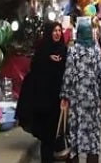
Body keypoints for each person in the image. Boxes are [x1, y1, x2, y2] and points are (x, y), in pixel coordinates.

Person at [60, 17, 101, 163]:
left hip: (77, 98)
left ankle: (74, 156)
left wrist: (65, 96)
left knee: (75, 128)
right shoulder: (96, 51)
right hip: (92, 99)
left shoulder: (73, 51)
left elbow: (68, 74)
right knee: (92, 131)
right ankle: (92, 157)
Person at [30, 21, 67, 163]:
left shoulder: (63, 49)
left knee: (55, 130)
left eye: (59, 31)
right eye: (54, 31)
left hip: (58, 98)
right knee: (46, 132)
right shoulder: (42, 50)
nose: (57, 33)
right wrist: (47, 59)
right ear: (49, 33)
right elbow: (35, 69)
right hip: (44, 99)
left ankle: (53, 155)